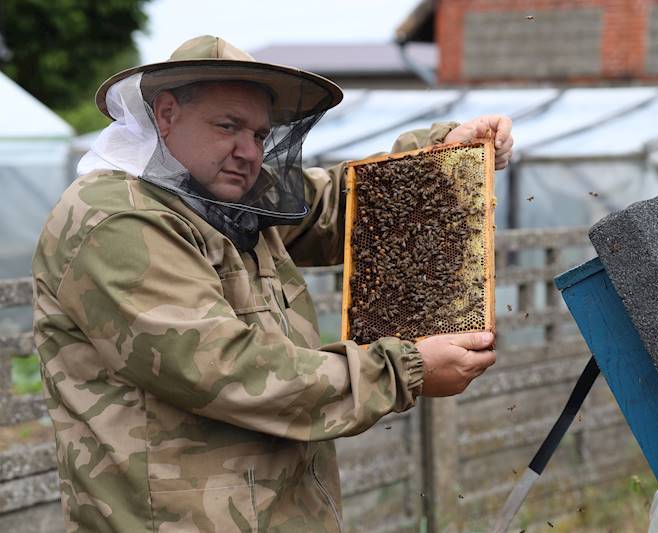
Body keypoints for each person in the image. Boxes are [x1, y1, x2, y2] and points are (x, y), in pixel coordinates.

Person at [32, 35, 514, 532]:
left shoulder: (225, 194)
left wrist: (442, 156)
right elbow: (225, 367)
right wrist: (401, 370)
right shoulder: (116, 221)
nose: (248, 151)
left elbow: (351, 212)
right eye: (228, 126)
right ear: (167, 113)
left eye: (260, 135)